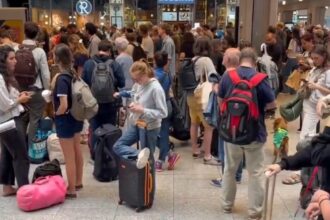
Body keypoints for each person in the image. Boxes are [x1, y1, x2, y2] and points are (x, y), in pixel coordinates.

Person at [219, 47, 276, 219]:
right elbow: (272, 104)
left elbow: (221, 101)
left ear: (240, 60)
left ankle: (226, 206)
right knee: (256, 172)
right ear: (255, 61)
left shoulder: (228, 76)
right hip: (255, 133)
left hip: (231, 132)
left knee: (229, 169)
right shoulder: (261, 79)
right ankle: (254, 211)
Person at [113, 60, 167, 169]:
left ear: (145, 74)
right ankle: (141, 155)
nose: (136, 82)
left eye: (137, 79)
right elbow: (134, 94)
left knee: (148, 162)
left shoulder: (156, 88)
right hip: (137, 123)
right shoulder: (139, 85)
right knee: (118, 146)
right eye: (134, 79)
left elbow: (163, 112)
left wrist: (142, 110)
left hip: (149, 127)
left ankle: (148, 182)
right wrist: (132, 103)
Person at [51, 43, 84, 198]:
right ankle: (78, 182)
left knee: (68, 156)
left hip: (65, 120)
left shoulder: (62, 78)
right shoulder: (74, 74)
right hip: (77, 117)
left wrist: (56, 114)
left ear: (57, 58)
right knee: (77, 151)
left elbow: (63, 104)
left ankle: (71, 189)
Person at [82, 40, 125, 153]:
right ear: (109, 51)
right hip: (111, 101)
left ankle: (95, 153)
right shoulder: (114, 64)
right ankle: (109, 152)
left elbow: (84, 82)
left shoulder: (89, 63)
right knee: (110, 127)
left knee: (95, 127)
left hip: (93, 101)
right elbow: (122, 83)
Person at [0, 45, 31, 196]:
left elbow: (8, 98)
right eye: (11, 58)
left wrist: (19, 96)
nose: (15, 61)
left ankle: (7, 186)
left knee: (7, 153)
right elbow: (4, 105)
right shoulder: (0, 78)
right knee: (21, 155)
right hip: (9, 121)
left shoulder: (6, 77)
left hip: (9, 120)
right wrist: (20, 100)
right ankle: (25, 190)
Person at [211, 48, 244, 187]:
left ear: (228, 59)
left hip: (227, 116)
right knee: (238, 146)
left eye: (224, 55)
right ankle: (237, 175)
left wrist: (215, 88)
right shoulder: (241, 73)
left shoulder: (226, 75)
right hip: (239, 115)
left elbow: (221, 98)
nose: (222, 56)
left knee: (225, 148)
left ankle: (227, 178)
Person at [187, 37, 219, 165]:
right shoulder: (206, 60)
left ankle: (195, 149)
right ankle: (207, 155)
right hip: (203, 96)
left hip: (191, 95)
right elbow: (213, 76)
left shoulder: (192, 60)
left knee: (194, 123)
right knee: (208, 126)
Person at [21, 22, 51, 146]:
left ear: (24, 33)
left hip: (19, 91)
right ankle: (31, 147)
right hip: (36, 89)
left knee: (21, 119)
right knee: (34, 119)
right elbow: (45, 74)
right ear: (37, 35)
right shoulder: (39, 52)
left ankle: (20, 147)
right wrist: (47, 90)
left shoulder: (17, 49)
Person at [153, 52, 180, 171]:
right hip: (167, 104)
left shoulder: (152, 75)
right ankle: (169, 154)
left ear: (154, 61)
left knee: (151, 133)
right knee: (163, 133)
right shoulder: (167, 75)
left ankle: (161, 160)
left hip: (155, 106)